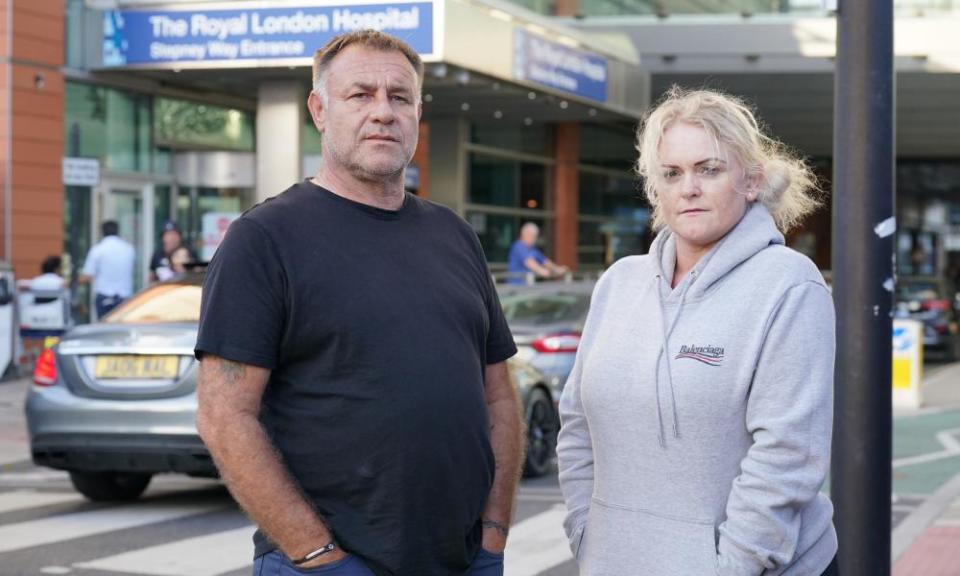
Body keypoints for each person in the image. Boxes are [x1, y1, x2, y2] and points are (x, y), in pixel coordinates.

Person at [195, 30, 522, 576]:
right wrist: (318, 555)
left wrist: (493, 534)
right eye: (360, 95)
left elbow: (499, 398)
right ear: (319, 110)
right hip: (328, 565)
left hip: (463, 560)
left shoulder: (454, 235)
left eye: (399, 97)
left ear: (418, 112)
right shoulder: (265, 239)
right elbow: (224, 415)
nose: (383, 112)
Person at [557, 86, 838, 576]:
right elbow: (578, 423)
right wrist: (588, 533)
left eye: (709, 169)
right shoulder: (619, 284)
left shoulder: (789, 284)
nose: (689, 187)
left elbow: (787, 457)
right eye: (672, 173)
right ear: (656, 189)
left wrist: (731, 567)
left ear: (751, 181)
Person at [78, 221, 135, 319]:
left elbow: (87, 276)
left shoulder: (98, 249)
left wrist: (74, 282)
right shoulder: (129, 249)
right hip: (124, 298)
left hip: (104, 297)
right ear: (118, 231)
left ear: (102, 232)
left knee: (105, 329)